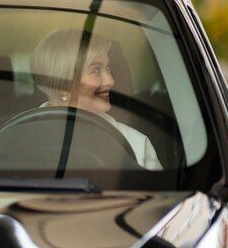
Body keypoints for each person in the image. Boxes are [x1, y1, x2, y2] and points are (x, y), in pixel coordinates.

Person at [30, 28, 162, 171]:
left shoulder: (136, 144)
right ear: (64, 84)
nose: (110, 81)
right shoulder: (17, 138)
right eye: (95, 70)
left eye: (108, 68)